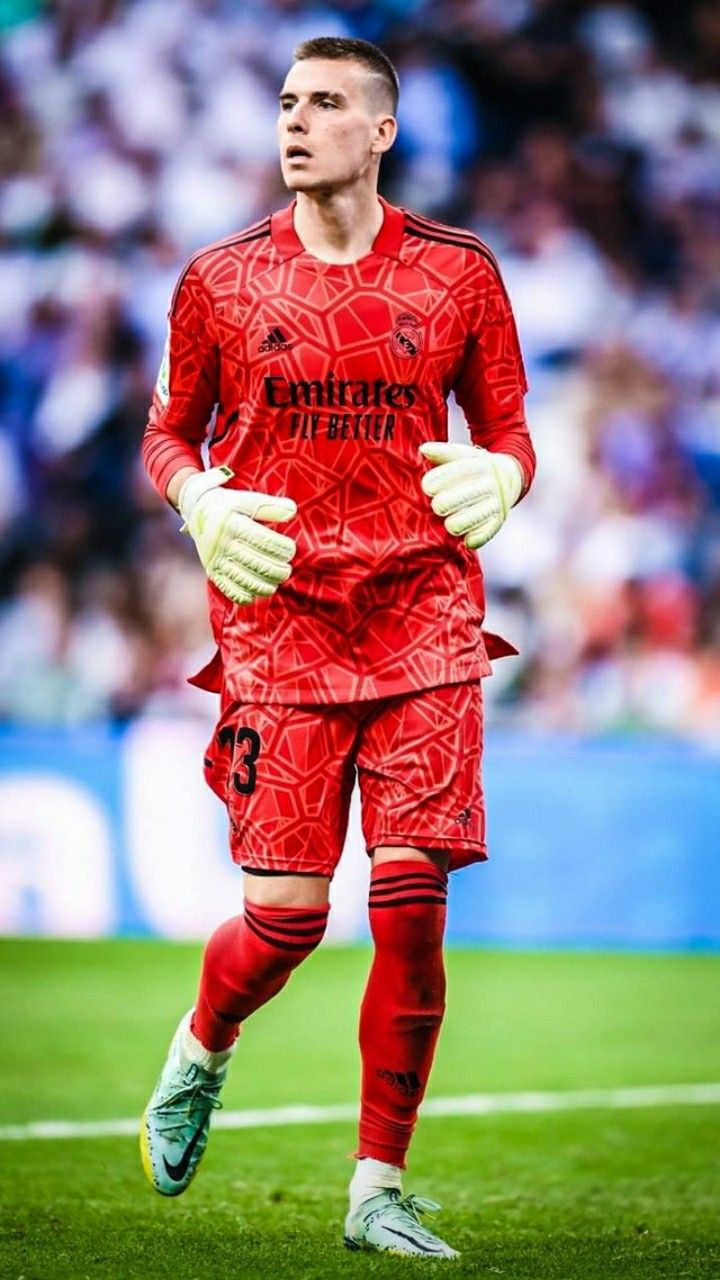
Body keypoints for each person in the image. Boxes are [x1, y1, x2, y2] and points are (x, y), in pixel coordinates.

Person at [140, 35, 535, 1259]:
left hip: (424, 613)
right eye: (286, 102)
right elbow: (167, 436)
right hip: (280, 622)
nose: (297, 121)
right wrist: (199, 503)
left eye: (325, 104)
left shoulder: (462, 275)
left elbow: (512, 428)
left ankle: (377, 1185)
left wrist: (507, 480)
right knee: (289, 921)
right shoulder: (217, 280)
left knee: (412, 904)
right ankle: (203, 1044)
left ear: (383, 131)